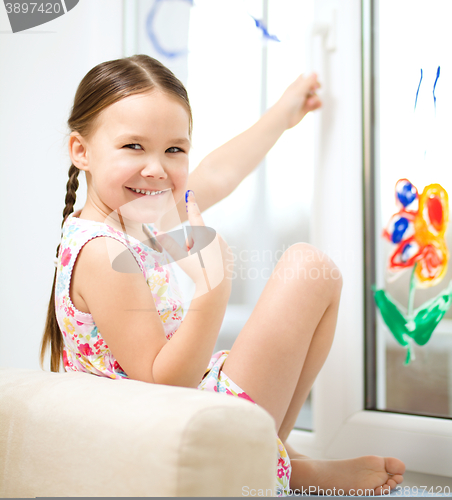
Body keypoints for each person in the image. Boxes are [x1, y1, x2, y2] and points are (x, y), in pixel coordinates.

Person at [40, 54, 405, 496]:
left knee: (317, 272)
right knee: (307, 267)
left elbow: (217, 172)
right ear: (82, 151)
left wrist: (282, 116)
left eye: (174, 149)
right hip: (162, 432)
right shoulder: (101, 251)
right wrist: (213, 287)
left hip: (178, 412)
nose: (156, 168)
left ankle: (273, 460)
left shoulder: (139, 219)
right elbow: (163, 386)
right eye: (134, 146)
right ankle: (269, 464)